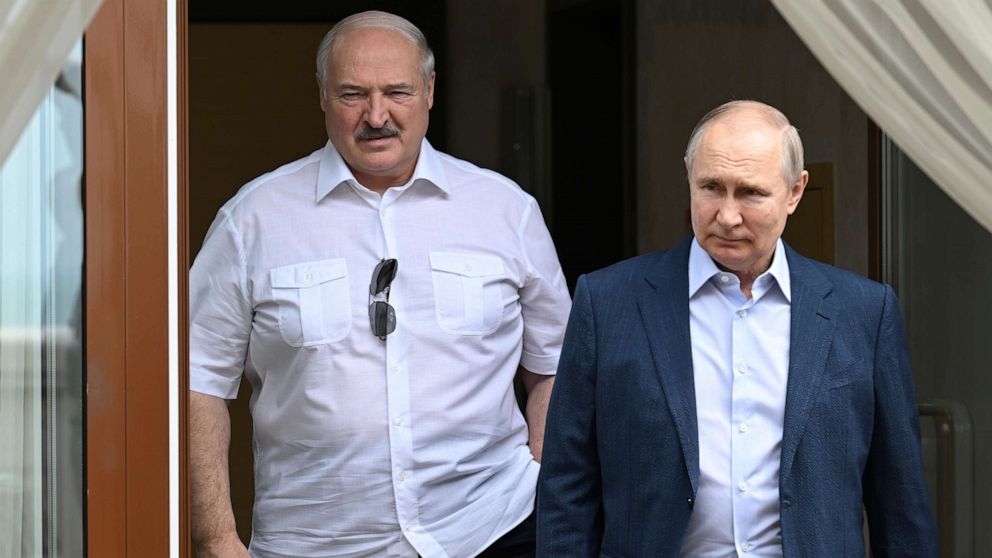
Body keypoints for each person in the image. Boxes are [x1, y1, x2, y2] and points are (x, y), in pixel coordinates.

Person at [189, 11, 570, 558]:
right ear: (321, 94)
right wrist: (217, 539)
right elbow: (198, 381)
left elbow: (555, 362)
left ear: (430, 91)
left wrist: (545, 482)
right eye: (352, 94)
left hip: (491, 529)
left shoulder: (505, 209)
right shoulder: (252, 220)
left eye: (397, 91)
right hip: (314, 544)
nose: (377, 115)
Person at [536, 100, 939, 557]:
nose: (727, 216)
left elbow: (900, 502)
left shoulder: (863, 312)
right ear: (688, 174)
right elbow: (566, 489)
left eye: (750, 193)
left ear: (795, 191)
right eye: (711, 187)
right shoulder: (607, 304)